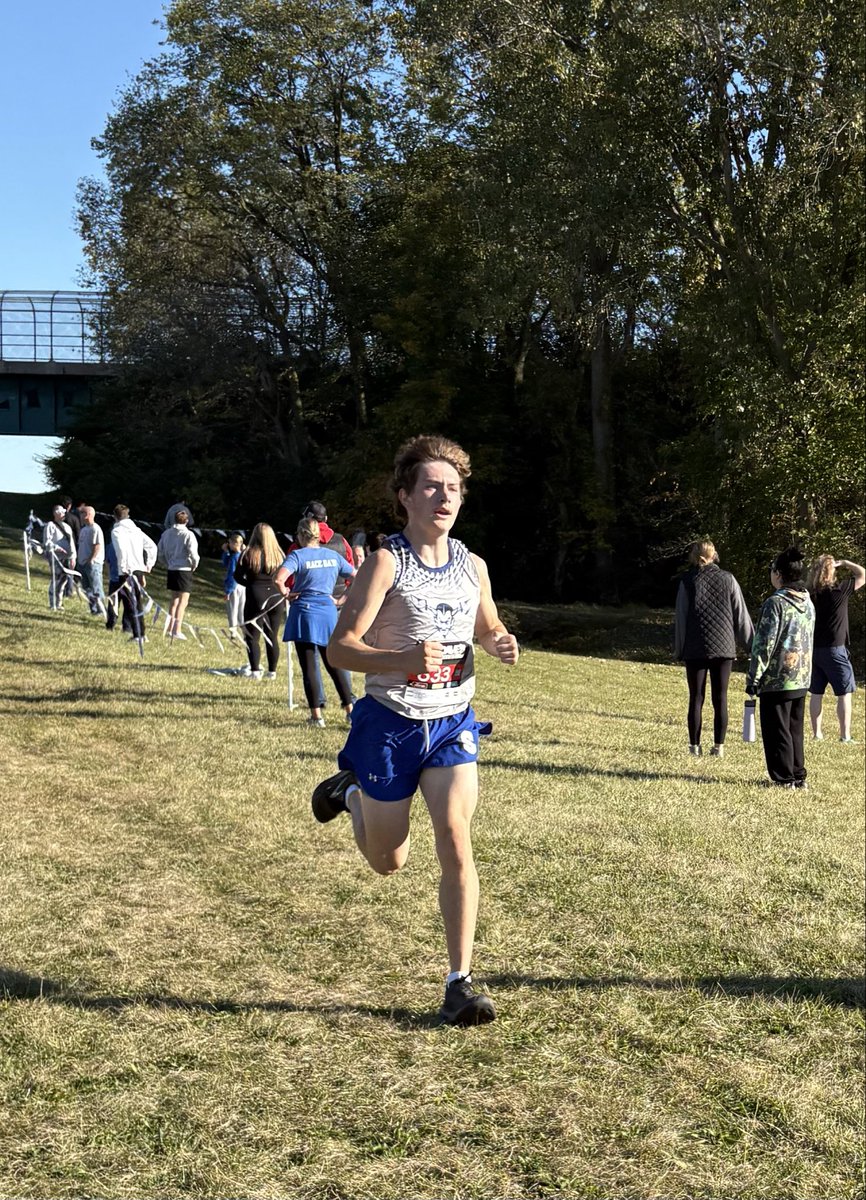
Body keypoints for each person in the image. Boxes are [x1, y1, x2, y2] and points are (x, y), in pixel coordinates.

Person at [310, 435, 519, 1026]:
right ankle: (350, 792)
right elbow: (340, 648)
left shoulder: (473, 566)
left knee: (455, 835)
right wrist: (400, 659)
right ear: (404, 496)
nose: (444, 497)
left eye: (453, 488)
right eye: (431, 486)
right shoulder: (385, 561)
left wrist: (498, 640)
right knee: (389, 860)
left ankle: (460, 981)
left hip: (453, 722)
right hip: (390, 723)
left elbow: (488, 624)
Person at [674, 539, 754, 757]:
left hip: (695, 647)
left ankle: (694, 746)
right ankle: (719, 746)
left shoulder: (687, 581)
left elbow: (681, 618)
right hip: (724, 647)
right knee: (721, 697)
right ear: (713, 555)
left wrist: (679, 648)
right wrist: (752, 647)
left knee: (696, 697)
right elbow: (741, 616)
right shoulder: (728, 579)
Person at [745, 547, 815, 789]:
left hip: (777, 677)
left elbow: (763, 644)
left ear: (778, 574)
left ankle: (784, 778)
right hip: (803, 676)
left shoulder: (775, 603)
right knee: (795, 728)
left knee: (778, 730)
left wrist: (754, 677)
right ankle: (798, 775)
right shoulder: (808, 602)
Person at [275, 517, 356, 726]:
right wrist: (341, 599)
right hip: (328, 612)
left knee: (309, 665)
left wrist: (286, 593)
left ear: (301, 535)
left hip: (304, 613)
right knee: (334, 663)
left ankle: (317, 716)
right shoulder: (332, 556)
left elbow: (279, 578)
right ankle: (350, 710)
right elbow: (356, 576)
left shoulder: (298, 555)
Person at [807, 554, 865, 743]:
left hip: (814, 649)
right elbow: (863, 574)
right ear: (832, 571)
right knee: (844, 692)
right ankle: (845, 735)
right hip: (835, 649)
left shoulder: (810, 593)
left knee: (816, 692)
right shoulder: (840, 590)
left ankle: (817, 734)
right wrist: (846, 562)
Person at [233, 523, 285, 680]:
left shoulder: (248, 554)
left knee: (252, 635)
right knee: (272, 635)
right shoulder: (279, 555)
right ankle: (272, 672)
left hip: (255, 595)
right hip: (276, 598)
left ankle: (255, 670)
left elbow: (237, 576)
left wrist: (249, 584)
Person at [109, 505, 158, 642]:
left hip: (126, 570)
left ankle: (138, 635)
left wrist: (123, 567)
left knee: (130, 604)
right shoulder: (137, 530)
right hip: (138, 569)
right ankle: (141, 633)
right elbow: (152, 546)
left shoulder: (117, 531)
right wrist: (149, 564)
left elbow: (121, 550)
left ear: (115, 517)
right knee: (137, 603)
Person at [157, 509, 200, 640]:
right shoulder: (188, 534)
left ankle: (170, 627)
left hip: (172, 568)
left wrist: (167, 563)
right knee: (183, 602)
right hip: (184, 569)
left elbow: (160, 551)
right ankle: (177, 629)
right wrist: (194, 564)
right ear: (186, 521)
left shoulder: (166, 533)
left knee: (174, 600)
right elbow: (193, 553)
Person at [42, 505, 76, 611]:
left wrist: (73, 557)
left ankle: (59, 603)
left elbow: (72, 543)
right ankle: (53, 604)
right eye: (60, 512)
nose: (62, 514)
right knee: (55, 580)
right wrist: (57, 548)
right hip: (56, 558)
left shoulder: (67, 527)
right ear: (55, 513)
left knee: (63, 581)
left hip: (67, 558)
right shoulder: (50, 525)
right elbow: (47, 542)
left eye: (63, 512)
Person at [77, 506, 106, 615]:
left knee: (96, 588)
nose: (80, 516)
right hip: (82, 563)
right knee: (87, 588)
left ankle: (101, 610)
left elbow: (97, 546)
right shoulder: (84, 529)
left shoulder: (95, 528)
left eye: (82, 513)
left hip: (93, 564)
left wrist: (91, 559)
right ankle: (93, 609)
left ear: (88, 515)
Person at [222, 533, 247, 638]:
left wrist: (228, 590)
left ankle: (233, 632)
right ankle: (245, 630)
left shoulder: (234, 557)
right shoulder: (243, 555)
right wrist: (226, 552)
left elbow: (232, 573)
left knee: (232, 609)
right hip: (243, 586)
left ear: (233, 543)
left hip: (234, 586)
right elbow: (225, 563)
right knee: (241, 610)